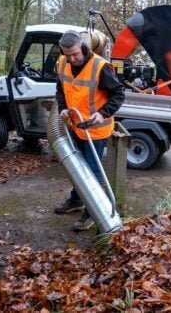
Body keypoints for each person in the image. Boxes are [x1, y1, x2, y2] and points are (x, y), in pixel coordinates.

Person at [53, 30, 125, 231]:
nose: (72, 59)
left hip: (96, 130)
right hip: (75, 127)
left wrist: (103, 113)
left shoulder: (100, 67)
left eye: (75, 54)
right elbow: (60, 90)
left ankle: (92, 212)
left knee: (92, 173)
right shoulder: (62, 63)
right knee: (77, 169)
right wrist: (62, 109)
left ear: (83, 47)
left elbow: (119, 94)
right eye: (68, 55)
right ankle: (76, 200)